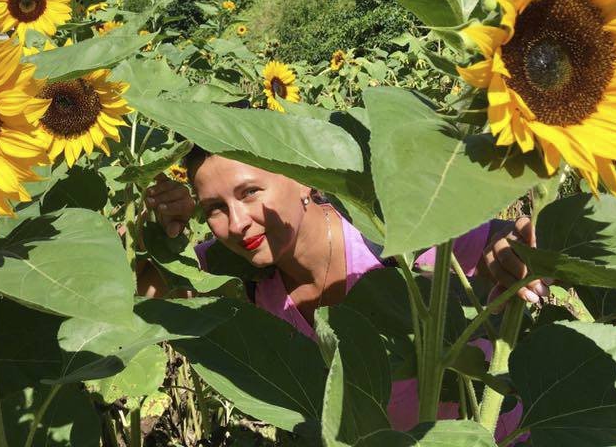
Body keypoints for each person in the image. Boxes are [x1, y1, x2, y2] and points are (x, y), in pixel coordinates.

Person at [139, 146, 544, 436]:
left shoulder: (383, 231)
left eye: (249, 192)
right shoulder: (236, 273)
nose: (238, 221)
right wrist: (158, 236)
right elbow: (144, 298)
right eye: (215, 208)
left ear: (301, 177)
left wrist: (510, 247)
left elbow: (499, 240)